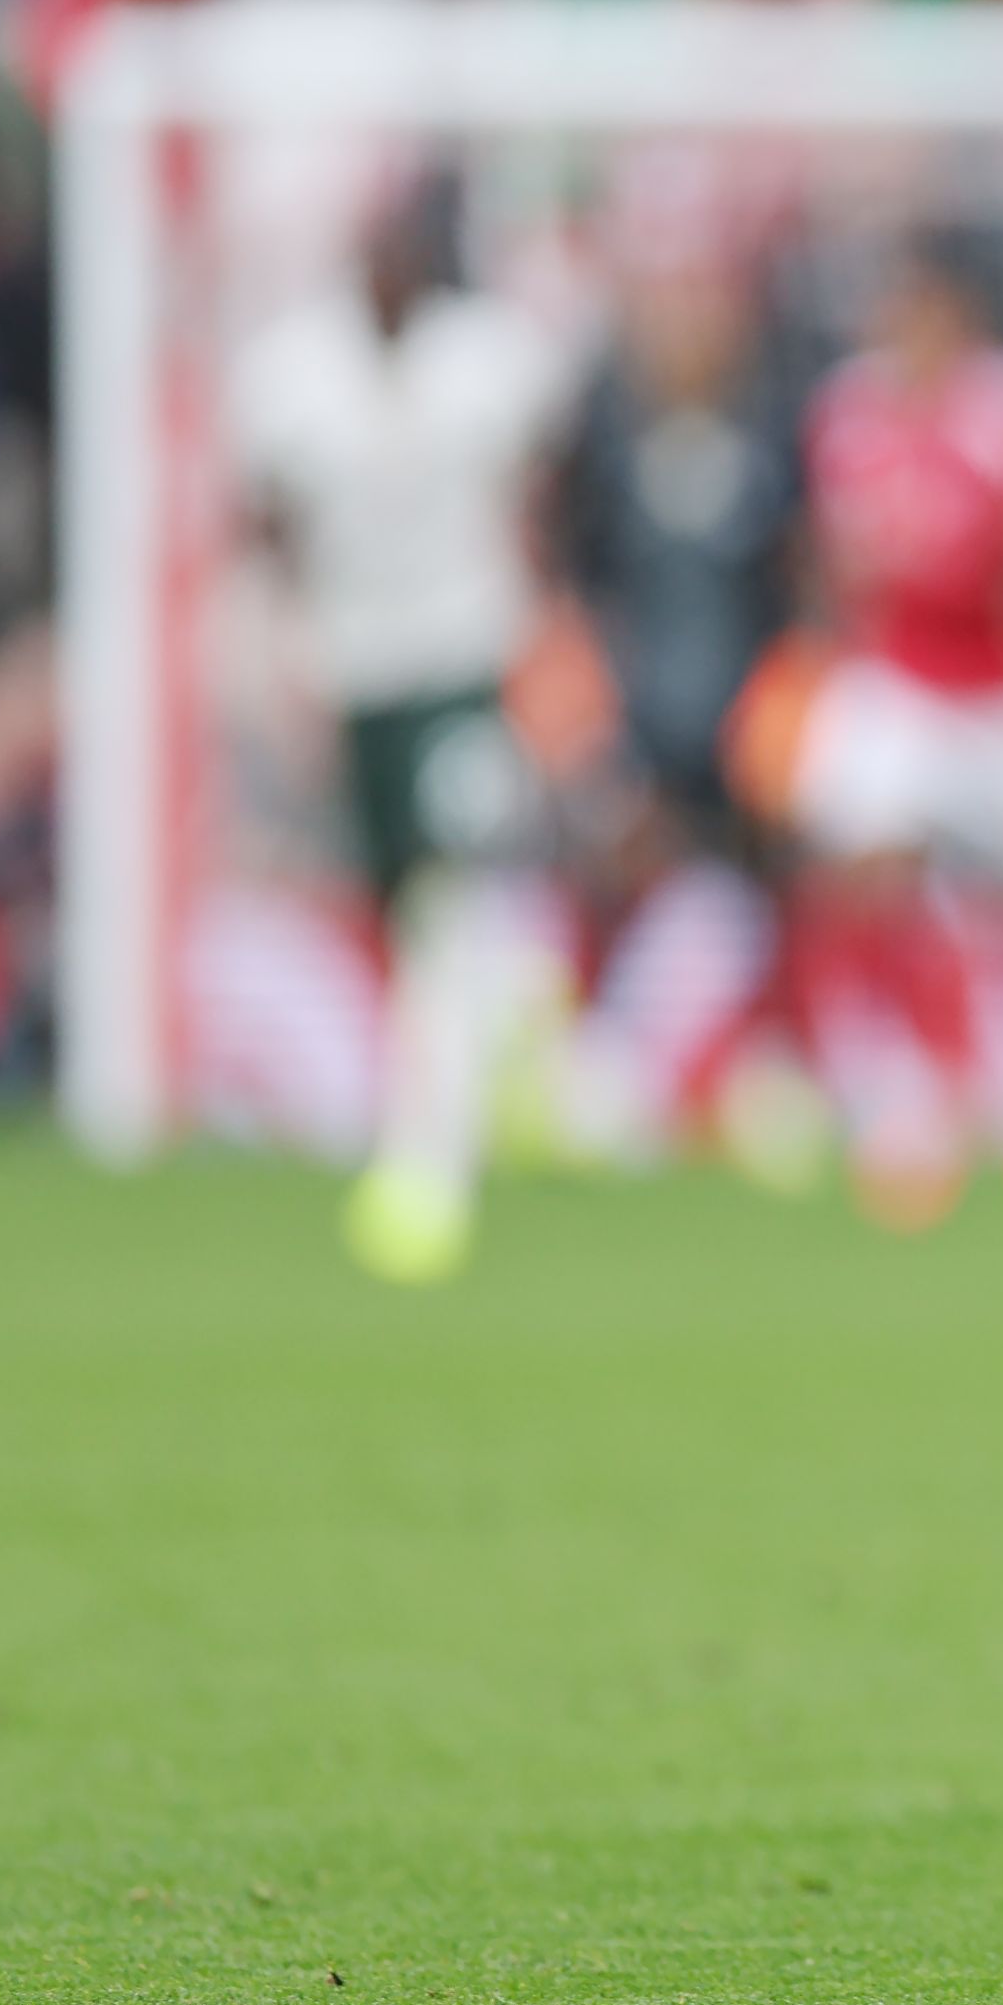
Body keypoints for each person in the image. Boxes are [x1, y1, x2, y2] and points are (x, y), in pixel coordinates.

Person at [229, 163, 577, 1285]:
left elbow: (544, 485)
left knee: (445, 880)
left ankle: (436, 1141)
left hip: (462, 662)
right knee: (398, 895)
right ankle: (511, 1031)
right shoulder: (295, 375)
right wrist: (293, 639)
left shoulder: (488, 361)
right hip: (356, 670)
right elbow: (266, 512)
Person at [779, 236, 1003, 1228]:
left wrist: (945, 557)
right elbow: (838, 555)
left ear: (958, 315)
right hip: (899, 685)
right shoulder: (848, 410)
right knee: (871, 871)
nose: (900, 330)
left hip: (999, 693)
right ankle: (902, 1101)